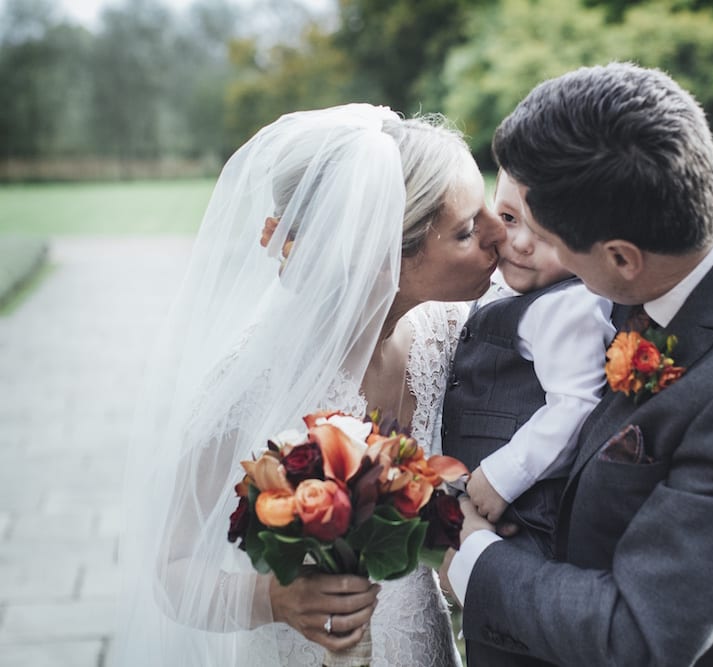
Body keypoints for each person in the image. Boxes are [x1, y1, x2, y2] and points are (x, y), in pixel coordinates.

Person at [440, 63, 713, 666]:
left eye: (550, 240)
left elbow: (641, 635)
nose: (524, 250)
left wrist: (477, 557)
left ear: (621, 258)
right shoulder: (675, 249)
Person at [113, 104, 505, 666]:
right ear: (382, 258)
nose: (500, 234)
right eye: (468, 230)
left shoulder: (449, 332)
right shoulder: (254, 381)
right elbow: (168, 567)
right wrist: (273, 597)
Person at [441, 168, 616, 556]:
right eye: (508, 218)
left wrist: (505, 476)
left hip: (529, 508)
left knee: (504, 605)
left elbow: (576, 406)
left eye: (546, 233)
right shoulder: (514, 286)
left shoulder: (572, 305)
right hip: (492, 500)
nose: (520, 243)